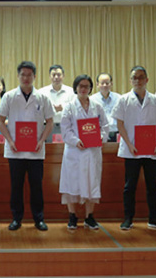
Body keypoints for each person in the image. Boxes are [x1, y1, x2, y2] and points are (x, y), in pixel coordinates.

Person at [0, 61, 55, 231]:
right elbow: (0, 121)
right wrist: (10, 140)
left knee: (37, 186)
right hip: (15, 150)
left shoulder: (43, 98)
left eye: (29, 75)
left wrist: (42, 140)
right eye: (23, 74)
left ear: (34, 76)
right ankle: (16, 218)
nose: (26, 78)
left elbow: (50, 122)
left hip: (36, 150)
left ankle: (39, 219)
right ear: (18, 76)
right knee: (16, 186)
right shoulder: (9, 96)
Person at [113, 66, 156, 231]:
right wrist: (129, 144)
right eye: (134, 77)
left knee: (152, 186)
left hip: (152, 149)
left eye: (141, 77)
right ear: (130, 80)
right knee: (129, 186)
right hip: (132, 149)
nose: (138, 80)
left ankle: (154, 218)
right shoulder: (123, 100)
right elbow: (120, 124)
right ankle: (128, 218)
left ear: (147, 80)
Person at [59, 74, 108, 230]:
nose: (84, 89)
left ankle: (89, 217)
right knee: (71, 183)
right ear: (76, 87)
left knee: (91, 182)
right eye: (81, 86)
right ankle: (72, 216)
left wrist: (100, 137)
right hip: (74, 151)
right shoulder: (69, 107)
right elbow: (65, 129)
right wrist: (75, 141)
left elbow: (105, 126)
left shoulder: (97, 106)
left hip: (92, 151)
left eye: (87, 86)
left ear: (91, 88)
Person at [38, 64, 75, 140]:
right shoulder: (41, 92)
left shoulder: (71, 92)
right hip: (47, 127)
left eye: (59, 75)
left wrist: (63, 108)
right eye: (53, 75)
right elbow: (38, 110)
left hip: (67, 127)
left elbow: (75, 109)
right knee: (48, 147)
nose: (56, 77)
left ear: (63, 76)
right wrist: (51, 109)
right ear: (49, 76)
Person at [90, 72, 121, 142]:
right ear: (97, 84)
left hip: (116, 132)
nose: (105, 85)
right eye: (102, 83)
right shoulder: (92, 100)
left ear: (111, 84)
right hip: (99, 133)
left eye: (107, 83)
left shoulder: (119, 98)